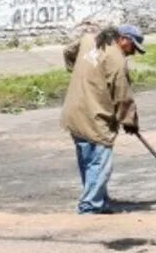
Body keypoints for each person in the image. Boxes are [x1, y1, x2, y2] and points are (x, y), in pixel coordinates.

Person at [61, 24, 143, 214]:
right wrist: (130, 121)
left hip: (73, 111)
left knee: (87, 159)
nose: (133, 53)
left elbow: (68, 52)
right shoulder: (116, 60)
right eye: (133, 48)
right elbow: (122, 96)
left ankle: (98, 198)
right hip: (94, 117)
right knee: (99, 161)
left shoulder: (89, 40)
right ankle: (90, 205)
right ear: (124, 40)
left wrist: (81, 73)